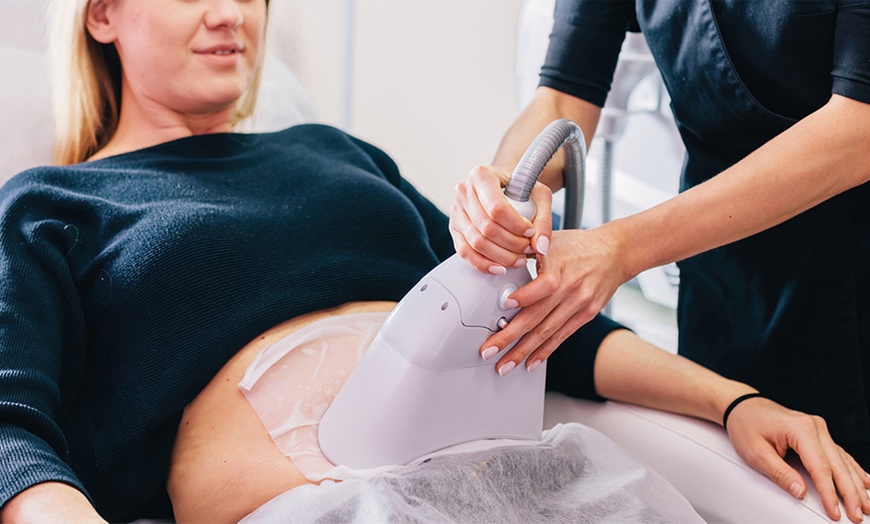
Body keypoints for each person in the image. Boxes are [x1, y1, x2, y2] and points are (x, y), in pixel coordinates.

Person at [0, 0, 867, 522]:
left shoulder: (335, 155)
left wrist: (738, 402)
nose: (232, 12)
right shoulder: (51, 206)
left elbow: (539, 320)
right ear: (101, 12)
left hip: (524, 487)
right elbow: (12, 428)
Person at [450, 0, 870, 504]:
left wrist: (622, 248)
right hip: (722, 274)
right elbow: (563, 97)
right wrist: (507, 189)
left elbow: (857, 132)